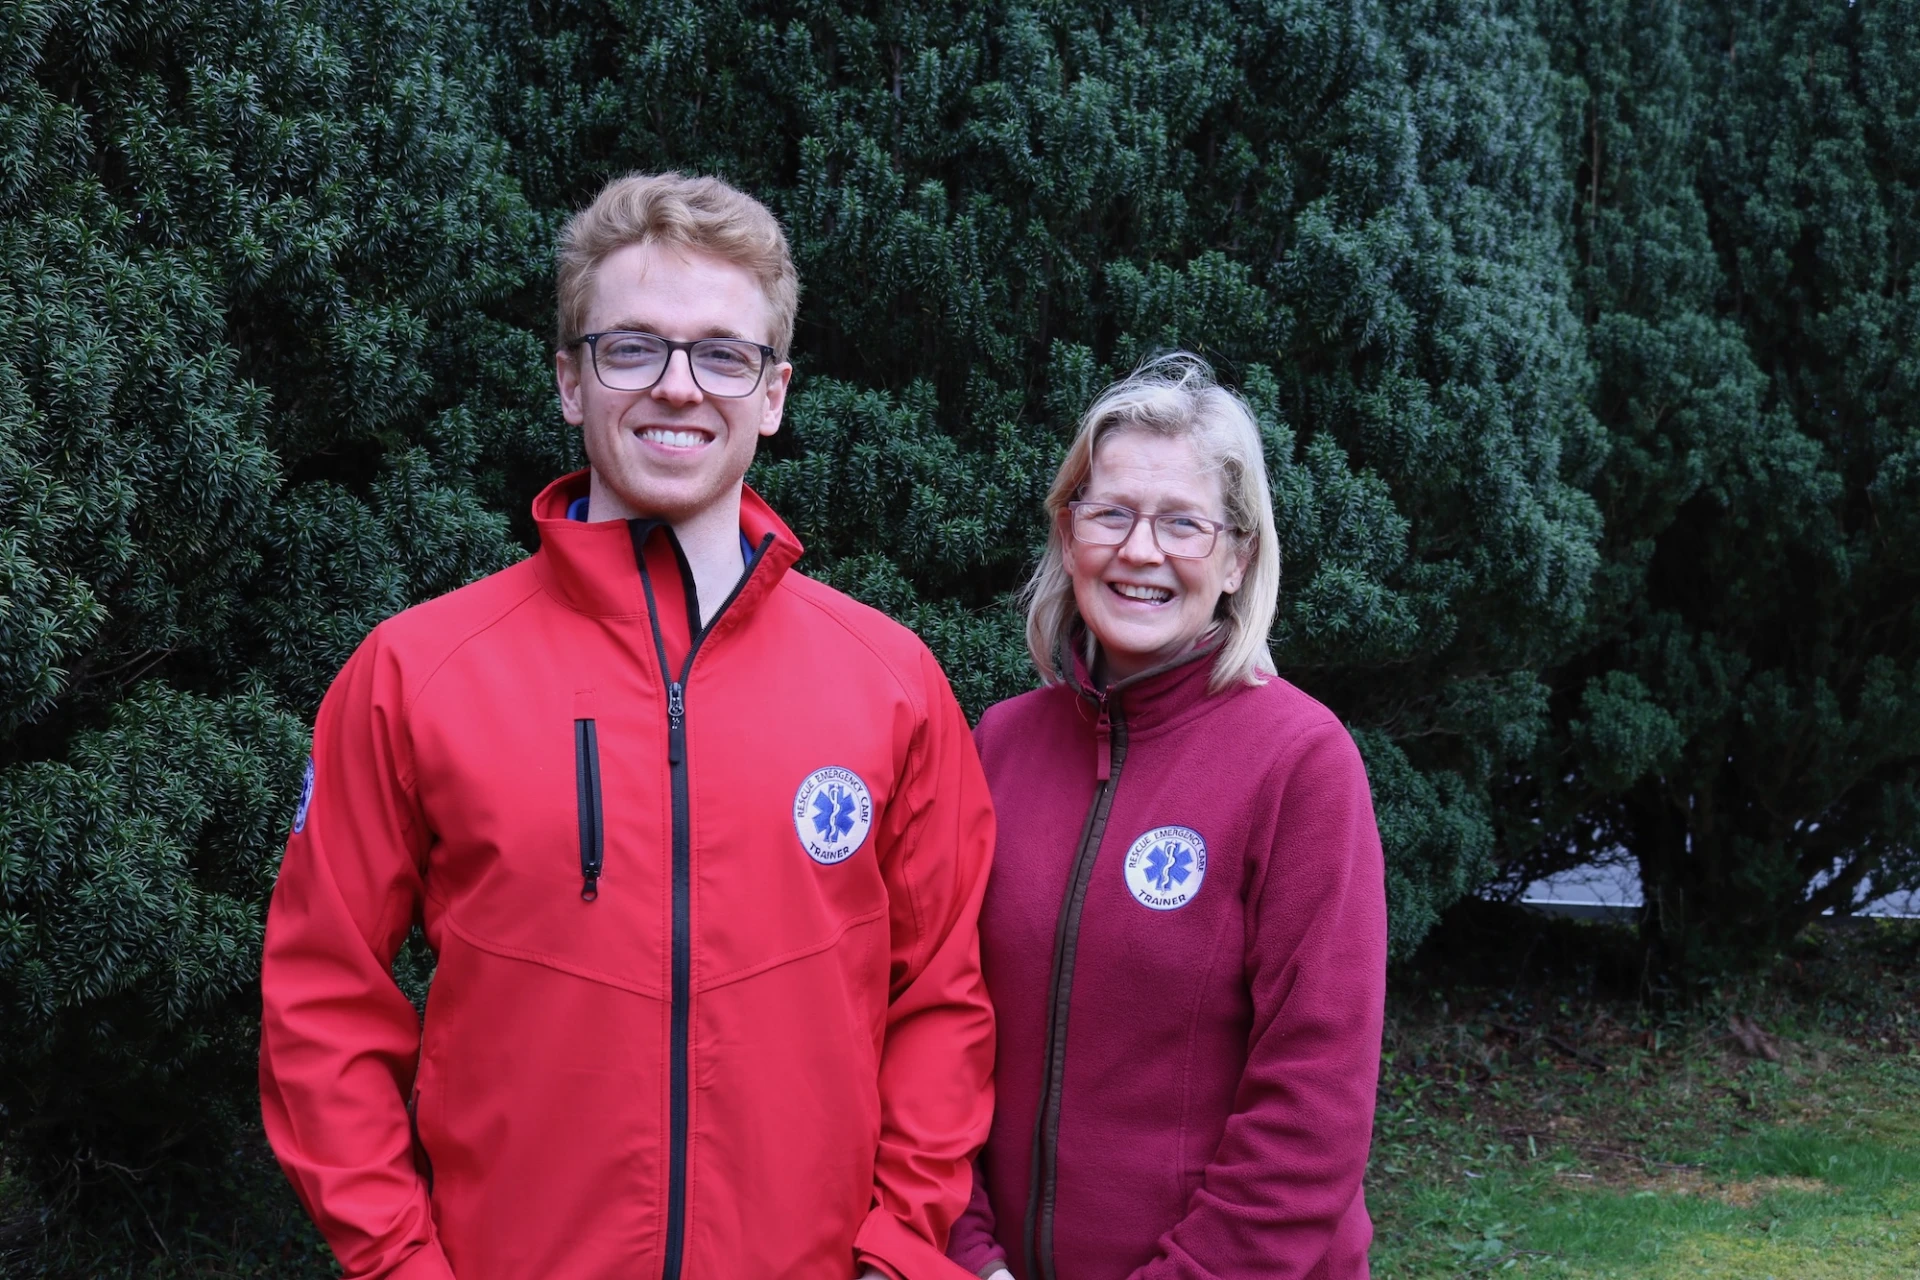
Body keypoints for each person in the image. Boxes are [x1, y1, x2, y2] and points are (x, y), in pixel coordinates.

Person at [259, 172, 996, 1280]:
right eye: (633, 348)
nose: (678, 387)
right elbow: (322, 1000)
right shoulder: (413, 675)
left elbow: (942, 998)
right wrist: (401, 1262)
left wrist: (894, 1250)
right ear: (571, 380)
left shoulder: (892, 682)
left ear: (774, 393)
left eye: (723, 355)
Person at [947, 354, 1388, 1280]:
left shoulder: (1301, 763)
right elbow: (941, 1029)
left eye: (1184, 523)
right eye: (1110, 513)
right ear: (1069, 534)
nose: (1141, 551)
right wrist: (970, 1254)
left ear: (1236, 558)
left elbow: (1313, 1107)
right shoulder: (998, 746)